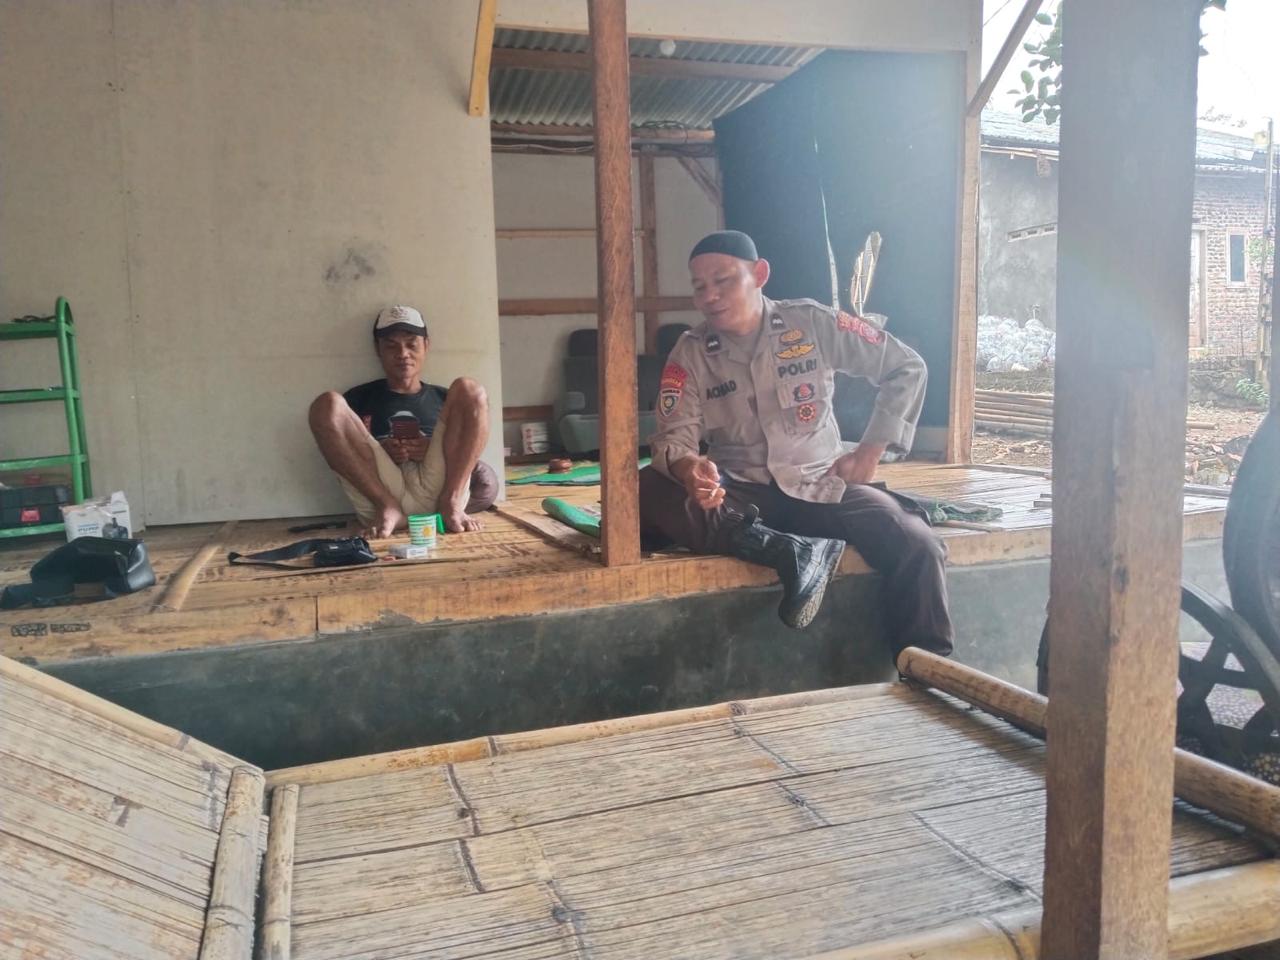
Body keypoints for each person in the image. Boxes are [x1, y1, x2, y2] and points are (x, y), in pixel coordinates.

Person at [641, 230, 953, 655]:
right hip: (739, 493)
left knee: (916, 543)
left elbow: (906, 367)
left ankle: (927, 669)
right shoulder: (691, 352)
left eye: (723, 280)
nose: (709, 296)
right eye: (699, 287)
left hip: (819, 483)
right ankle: (792, 553)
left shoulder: (812, 323)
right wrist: (690, 469)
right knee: (648, 486)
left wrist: (870, 451)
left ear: (759, 274)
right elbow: (674, 435)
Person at [309, 305, 498, 538]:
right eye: (391, 346)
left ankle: (451, 504)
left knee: (470, 390)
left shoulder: (446, 398)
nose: (403, 353)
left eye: (411, 344)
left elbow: (464, 449)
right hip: (382, 495)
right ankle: (388, 508)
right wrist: (382, 450)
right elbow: (349, 453)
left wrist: (431, 447)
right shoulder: (358, 398)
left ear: (426, 345)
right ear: (377, 349)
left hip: (438, 489)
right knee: (326, 405)